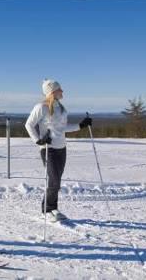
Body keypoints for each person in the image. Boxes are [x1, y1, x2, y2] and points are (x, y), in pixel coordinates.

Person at [25, 79, 92, 223]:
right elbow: (29, 124)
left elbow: (62, 128)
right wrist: (38, 140)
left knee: (57, 181)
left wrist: (80, 126)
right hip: (49, 149)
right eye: (59, 89)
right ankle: (47, 210)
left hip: (62, 148)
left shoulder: (61, 108)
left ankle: (53, 208)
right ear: (52, 92)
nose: (62, 91)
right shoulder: (41, 107)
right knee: (53, 180)